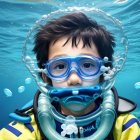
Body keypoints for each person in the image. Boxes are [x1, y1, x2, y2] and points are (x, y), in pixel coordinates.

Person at [0, 12, 140, 140]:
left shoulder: (126, 127)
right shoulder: (23, 129)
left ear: (104, 73)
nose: (74, 80)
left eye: (87, 65)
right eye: (60, 66)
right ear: (45, 77)